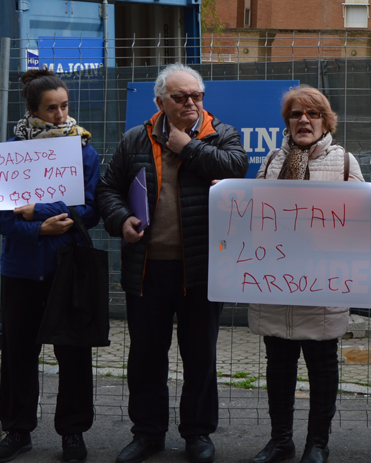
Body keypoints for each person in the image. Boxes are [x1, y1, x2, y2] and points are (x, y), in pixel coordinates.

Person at [97, 64, 248, 463]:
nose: (191, 104)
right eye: (181, 98)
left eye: (197, 96)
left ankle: (197, 434)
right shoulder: (135, 140)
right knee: (146, 356)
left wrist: (186, 146)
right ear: (160, 101)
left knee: (200, 356)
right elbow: (108, 190)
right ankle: (148, 433)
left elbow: (235, 166)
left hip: (200, 270)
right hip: (147, 268)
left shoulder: (221, 133)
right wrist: (119, 219)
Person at [248, 85, 371, 463]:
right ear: (287, 121)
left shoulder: (346, 163)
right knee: (279, 365)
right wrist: (229, 198)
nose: (304, 120)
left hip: (321, 286)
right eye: (296, 114)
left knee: (322, 367)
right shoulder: (271, 160)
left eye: (312, 114)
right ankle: (280, 440)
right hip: (277, 284)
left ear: (325, 121)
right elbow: (252, 214)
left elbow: (361, 226)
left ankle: (317, 443)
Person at [0, 69, 101, 463]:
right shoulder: (8, 154)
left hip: (66, 270)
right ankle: (17, 431)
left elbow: (88, 207)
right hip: (21, 269)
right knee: (18, 353)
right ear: (32, 111)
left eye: (64, 106)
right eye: (51, 108)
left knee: (73, 354)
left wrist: (40, 210)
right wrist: (39, 230)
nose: (60, 114)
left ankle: (73, 433)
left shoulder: (83, 150)